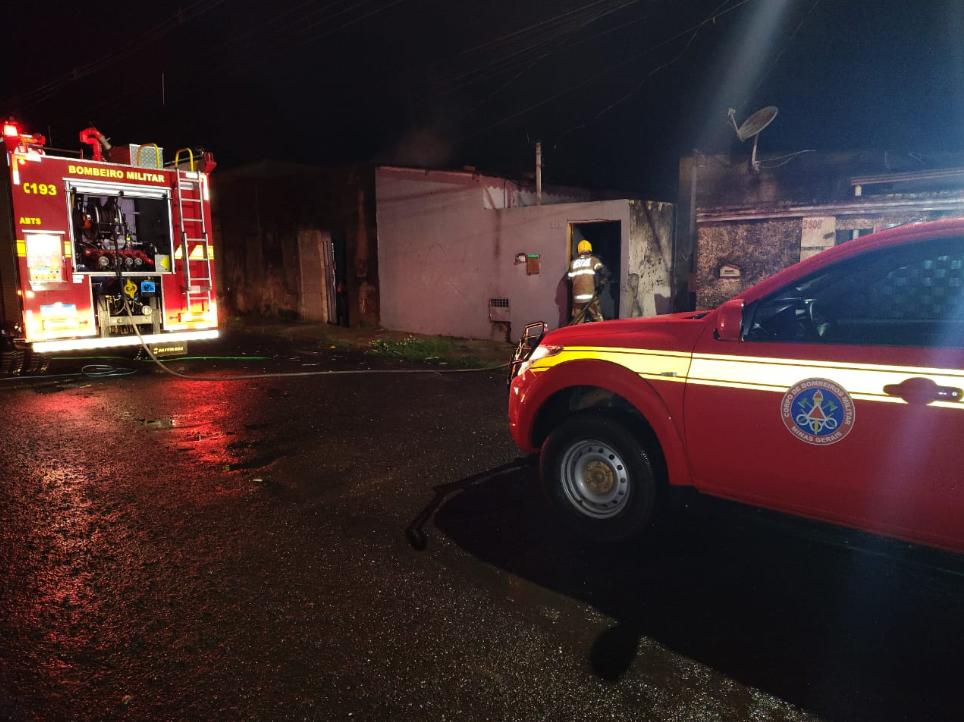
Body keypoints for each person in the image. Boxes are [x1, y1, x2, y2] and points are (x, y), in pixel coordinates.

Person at [567, 240, 609, 323]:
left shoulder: (572, 263)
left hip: (577, 299)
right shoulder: (593, 260)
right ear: (590, 250)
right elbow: (603, 272)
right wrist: (601, 283)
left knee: (578, 321)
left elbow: (569, 279)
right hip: (590, 297)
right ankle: (601, 330)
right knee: (597, 318)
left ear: (578, 251)